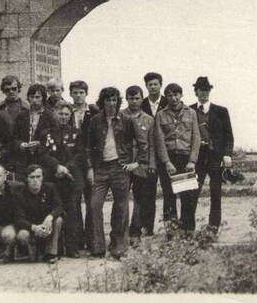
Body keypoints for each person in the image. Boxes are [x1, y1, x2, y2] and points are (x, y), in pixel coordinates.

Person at [86, 86, 138, 259]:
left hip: (120, 167)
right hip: (100, 168)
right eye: (108, 100)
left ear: (118, 101)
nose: (111, 103)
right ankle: (97, 248)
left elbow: (138, 142)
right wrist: (90, 168)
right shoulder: (94, 120)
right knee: (94, 205)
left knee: (121, 207)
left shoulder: (127, 119)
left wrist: (134, 162)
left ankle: (118, 247)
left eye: (114, 100)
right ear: (103, 102)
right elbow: (88, 146)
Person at [153, 82, 201, 230]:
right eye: (169, 95)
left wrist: (192, 160)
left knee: (188, 196)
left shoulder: (191, 113)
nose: (173, 98)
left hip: (186, 159)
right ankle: (171, 231)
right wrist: (166, 162)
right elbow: (159, 140)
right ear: (166, 97)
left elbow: (196, 137)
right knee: (169, 196)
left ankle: (188, 230)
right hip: (169, 159)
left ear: (181, 95)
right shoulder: (161, 115)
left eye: (176, 95)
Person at [190, 76, 234, 232]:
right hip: (197, 158)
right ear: (196, 92)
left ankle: (214, 226)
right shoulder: (189, 111)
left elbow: (229, 136)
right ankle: (189, 227)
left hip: (215, 157)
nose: (204, 93)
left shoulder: (221, 111)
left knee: (216, 192)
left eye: (207, 90)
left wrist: (227, 154)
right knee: (192, 191)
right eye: (201, 90)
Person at [50, 102, 88, 256]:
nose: (63, 117)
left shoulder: (77, 132)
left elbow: (80, 154)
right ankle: (56, 248)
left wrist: (67, 167)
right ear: (55, 114)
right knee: (56, 211)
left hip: (72, 178)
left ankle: (72, 248)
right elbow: (44, 154)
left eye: (66, 114)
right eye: (60, 114)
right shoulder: (47, 133)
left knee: (72, 212)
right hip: (54, 176)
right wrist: (57, 167)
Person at [122, 85, 157, 239]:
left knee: (139, 197)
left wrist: (151, 164)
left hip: (141, 164)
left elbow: (151, 144)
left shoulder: (148, 119)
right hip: (124, 163)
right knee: (122, 197)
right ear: (126, 99)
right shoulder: (120, 116)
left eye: (137, 98)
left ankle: (135, 229)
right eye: (131, 98)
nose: (134, 101)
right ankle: (121, 231)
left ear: (142, 98)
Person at [13, 164, 64, 263]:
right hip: (30, 228)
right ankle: (32, 250)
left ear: (42, 178)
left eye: (38, 177)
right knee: (22, 235)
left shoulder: (50, 188)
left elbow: (59, 207)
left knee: (58, 220)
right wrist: (34, 227)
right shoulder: (19, 194)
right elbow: (18, 219)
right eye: (32, 177)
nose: (35, 180)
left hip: (46, 226)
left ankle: (51, 253)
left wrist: (50, 217)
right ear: (27, 179)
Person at [69, 79, 98, 247]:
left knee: (91, 200)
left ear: (86, 94)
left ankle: (92, 238)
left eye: (81, 92)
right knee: (74, 201)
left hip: (90, 160)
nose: (78, 96)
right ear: (71, 94)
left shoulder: (93, 111)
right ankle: (78, 240)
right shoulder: (67, 111)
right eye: (75, 92)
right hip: (74, 161)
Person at [12, 83, 61, 176]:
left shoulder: (50, 117)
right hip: (24, 160)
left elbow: (56, 141)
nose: (34, 100)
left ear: (43, 98)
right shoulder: (21, 116)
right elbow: (14, 138)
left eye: (37, 97)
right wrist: (21, 144)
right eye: (32, 97)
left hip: (43, 160)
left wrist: (39, 145)